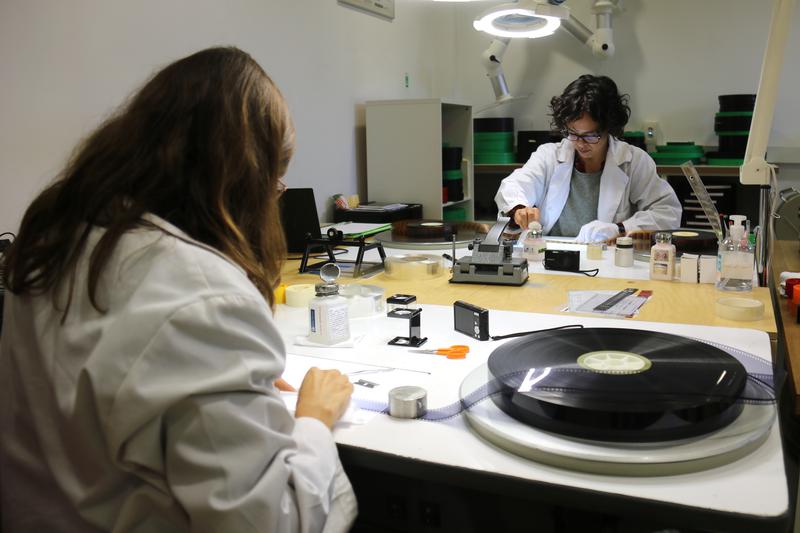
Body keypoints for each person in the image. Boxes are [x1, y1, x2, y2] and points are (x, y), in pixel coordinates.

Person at [0, 47, 357, 532]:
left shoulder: (55, 241)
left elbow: (112, 385)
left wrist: (226, 386)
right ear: (239, 179)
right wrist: (314, 418)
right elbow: (271, 523)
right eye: (274, 176)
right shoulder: (204, 296)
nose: (276, 192)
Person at [495, 74, 681, 243]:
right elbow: (514, 185)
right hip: (551, 254)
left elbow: (667, 213)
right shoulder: (549, 155)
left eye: (591, 135)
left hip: (608, 258)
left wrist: (620, 229)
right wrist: (519, 209)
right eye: (573, 133)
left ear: (609, 128)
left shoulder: (633, 161)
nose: (581, 143)